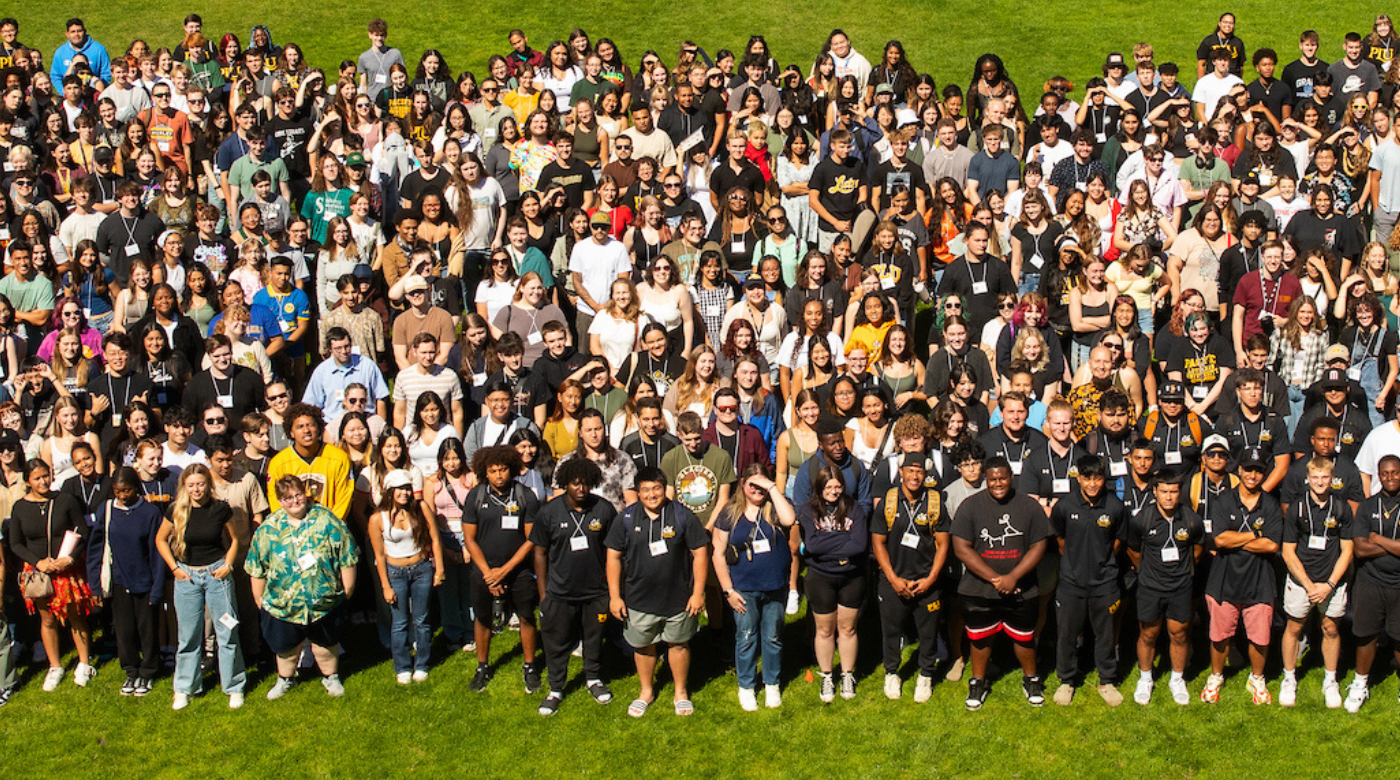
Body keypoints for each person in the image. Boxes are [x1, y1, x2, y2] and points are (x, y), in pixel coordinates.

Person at [606, 466, 709, 717]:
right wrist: (615, 596)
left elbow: (700, 554)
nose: (652, 494)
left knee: (679, 644)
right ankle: (646, 691)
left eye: (656, 488)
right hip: (638, 599)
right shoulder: (627, 518)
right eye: (645, 490)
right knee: (643, 646)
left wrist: (698, 593)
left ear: (665, 489)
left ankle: (681, 692)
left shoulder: (683, 515)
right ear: (637, 493)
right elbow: (613, 557)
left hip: (679, 598)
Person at [246, 475, 360, 701]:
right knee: (285, 648)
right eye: (287, 498)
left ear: (305, 493)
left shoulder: (327, 519)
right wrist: (259, 599)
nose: (294, 501)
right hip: (283, 605)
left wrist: (347, 589)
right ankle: (285, 679)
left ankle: (331, 677)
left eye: (298, 495)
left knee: (325, 645)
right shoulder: (268, 528)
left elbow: (347, 555)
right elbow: (256, 566)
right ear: (279, 501)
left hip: (324, 602)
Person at [952, 455, 1049, 709]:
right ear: (985, 478)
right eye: (992, 479)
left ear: (1011, 477)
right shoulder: (970, 506)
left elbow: (1039, 545)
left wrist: (1013, 577)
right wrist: (996, 579)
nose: (998, 483)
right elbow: (961, 548)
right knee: (980, 638)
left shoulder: (1028, 506)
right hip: (978, 589)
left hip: (1022, 588)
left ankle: (1031, 679)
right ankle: (977, 682)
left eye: (1002, 478)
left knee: (1024, 637)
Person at [531, 457, 617, 714]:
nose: (580, 488)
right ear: (565, 483)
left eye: (585, 484)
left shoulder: (604, 510)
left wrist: (613, 591)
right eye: (575, 483)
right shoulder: (549, 512)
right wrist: (544, 594)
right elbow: (539, 553)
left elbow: (613, 552)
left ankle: (593, 678)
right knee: (557, 642)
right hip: (559, 592)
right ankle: (556, 688)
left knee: (593, 639)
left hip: (595, 591)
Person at [154, 464, 245, 710]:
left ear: (208, 484)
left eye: (201, 484)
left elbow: (234, 539)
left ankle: (234, 686)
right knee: (189, 635)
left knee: (227, 632)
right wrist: (175, 568)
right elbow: (160, 540)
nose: (197, 489)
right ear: (185, 485)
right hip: (188, 578)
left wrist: (228, 564)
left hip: (217, 575)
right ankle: (185, 688)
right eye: (191, 484)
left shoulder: (220, 508)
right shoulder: (176, 510)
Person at [711, 463, 795, 711]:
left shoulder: (776, 506)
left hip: (775, 587)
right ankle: (746, 686)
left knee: (773, 637)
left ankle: (772, 683)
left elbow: (790, 519)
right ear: (743, 485)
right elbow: (717, 552)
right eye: (752, 485)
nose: (757, 491)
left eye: (761, 486)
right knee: (746, 638)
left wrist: (771, 487)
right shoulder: (729, 512)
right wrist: (728, 590)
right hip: (743, 588)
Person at [1049, 456, 1128, 706]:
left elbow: (1118, 543)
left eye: (1097, 478)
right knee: (1067, 633)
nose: (1092, 483)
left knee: (1105, 635)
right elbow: (1059, 540)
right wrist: (1076, 562)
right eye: (1087, 478)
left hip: (1105, 583)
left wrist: (1101, 561)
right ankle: (1066, 680)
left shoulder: (1115, 507)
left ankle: (1107, 681)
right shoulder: (1064, 506)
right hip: (1071, 583)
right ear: (1079, 478)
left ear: (1104, 479)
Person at [462, 444, 541, 693]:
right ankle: (483, 666)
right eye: (493, 470)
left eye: (504, 469)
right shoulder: (475, 496)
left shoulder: (525, 496)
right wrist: (488, 573)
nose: (499, 475)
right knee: (483, 617)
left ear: (512, 469)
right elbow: (469, 539)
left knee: (527, 616)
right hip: (484, 571)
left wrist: (504, 571)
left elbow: (531, 540)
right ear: (484, 471)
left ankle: (530, 666)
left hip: (518, 570)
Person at [871, 454, 949, 703]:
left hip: (926, 581)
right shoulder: (889, 501)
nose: (914, 477)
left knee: (928, 631)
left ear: (926, 475)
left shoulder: (935, 502)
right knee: (891, 630)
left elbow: (943, 543)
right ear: (901, 473)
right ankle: (892, 673)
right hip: (894, 579)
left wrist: (931, 578)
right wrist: (893, 578)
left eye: (919, 472)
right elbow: (878, 542)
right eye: (909, 471)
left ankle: (926, 675)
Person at [1279, 456, 1354, 709]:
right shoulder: (1296, 508)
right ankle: (1289, 678)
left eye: (1325, 477)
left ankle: (1330, 681)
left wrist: (1329, 585)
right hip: (1302, 582)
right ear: (1308, 479)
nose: (1320, 482)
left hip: (1331, 583)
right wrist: (1310, 586)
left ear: (1331, 479)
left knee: (1331, 629)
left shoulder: (1341, 508)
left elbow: (1347, 550)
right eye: (1315, 477)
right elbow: (1288, 551)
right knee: (1294, 628)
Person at [1127, 469, 1206, 706]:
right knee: (1148, 634)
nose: (1169, 497)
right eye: (1164, 492)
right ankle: (1145, 678)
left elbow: (1198, 551)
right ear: (1155, 492)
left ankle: (1177, 678)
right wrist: (1149, 572)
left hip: (1181, 587)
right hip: (1150, 587)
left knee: (1179, 634)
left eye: (1173, 492)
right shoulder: (1143, 519)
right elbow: (1133, 550)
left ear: (1180, 493)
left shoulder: (1192, 520)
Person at [86, 467, 163, 697]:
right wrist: (95, 585)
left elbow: (157, 553)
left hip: (145, 582)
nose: (122, 496)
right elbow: (95, 548)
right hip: (118, 582)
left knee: (147, 630)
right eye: (117, 491)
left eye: (126, 490)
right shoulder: (107, 510)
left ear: (136, 488)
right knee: (124, 630)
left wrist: (157, 588)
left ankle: (148, 671)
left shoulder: (150, 513)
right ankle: (131, 671)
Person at [369, 468, 445, 684]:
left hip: (421, 568)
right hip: (395, 572)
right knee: (400, 622)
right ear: (389, 491)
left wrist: (439, 569)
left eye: (407, 488)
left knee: (422, 619)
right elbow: (379, 554)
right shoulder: (377, 518)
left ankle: (422, 663)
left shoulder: (420, 508)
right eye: (399, 489)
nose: (404, 493)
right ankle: (402, 666)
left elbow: (435, 538)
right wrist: (385, 585)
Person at [1347, 455, 1400, 712]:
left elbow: (1369, 543)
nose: (1390, 478)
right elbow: (1359, 550)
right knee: (1366, 634)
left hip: (1399, 583)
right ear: (1379, 475)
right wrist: (1393, 548)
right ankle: (1360, 684)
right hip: (1370, 581)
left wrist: (1377, 539)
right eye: (1385, 474)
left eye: (1395, 473)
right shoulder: (1368, 506)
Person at [266, 403, 354, 520]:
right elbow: (275, 500)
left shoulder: (339, 458)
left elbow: (345, 497)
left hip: (329, 528)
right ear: (291, 432)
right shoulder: (278, 463)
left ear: (318, 428)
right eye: (300, 427)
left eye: (311, 425)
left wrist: (329, 524)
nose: (306, 430)